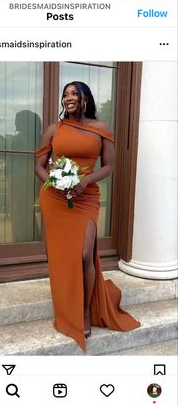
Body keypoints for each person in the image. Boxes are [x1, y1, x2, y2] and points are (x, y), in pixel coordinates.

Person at [35, 81, 140, 352]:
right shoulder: (54, 129)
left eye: (74, 94)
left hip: (87, 196)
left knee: (84, 255)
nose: (68, 98)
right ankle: (67, 307)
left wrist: (86, 181)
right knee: (63, 257)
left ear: (84, 99)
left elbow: (109, 166)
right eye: (65, 94)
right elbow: (39, 166)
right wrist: (53, 183)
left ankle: (84, 311)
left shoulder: (101, 128)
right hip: (56, 199)